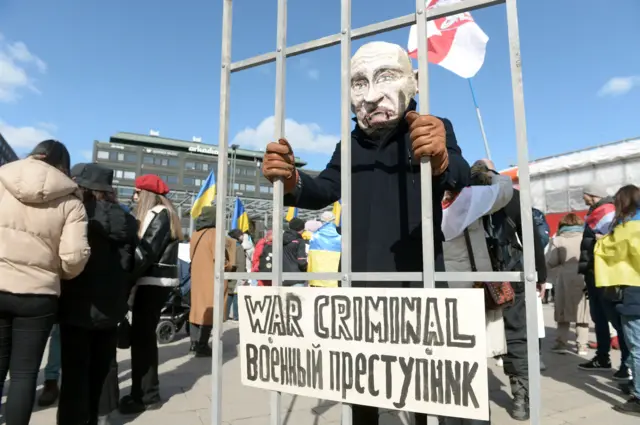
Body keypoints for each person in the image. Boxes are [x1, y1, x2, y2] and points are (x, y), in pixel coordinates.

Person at [260, 41, 470, 425]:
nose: (371, 95)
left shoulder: (430, 127)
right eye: (359, 82)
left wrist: (441, 158)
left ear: (415, 83)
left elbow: (460, 173)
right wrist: (290, 179)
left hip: (416, 283)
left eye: (385, 77)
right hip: (360, 290)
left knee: (424, 387)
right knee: (363, 389)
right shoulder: (350, 144)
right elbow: (324, 188)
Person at [0, 140, 91, 425]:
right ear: (63, 164)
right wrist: (57, 273)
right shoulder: (71, 200)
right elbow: (74, 257)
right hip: (39, 295)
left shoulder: (2, 180)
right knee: (24, 375)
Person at [57, 164, 137, 425]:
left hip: (77, 304)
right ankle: (101, 418)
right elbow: (130, 264)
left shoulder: (77, 213)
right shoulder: (127, 220)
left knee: (74, 371)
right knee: (104, 366)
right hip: (111, 307)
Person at [441, 163, 514, 425]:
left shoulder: (421, 204)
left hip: (437, 290)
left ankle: (449, 418)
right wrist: (490, 172)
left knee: (443, 365)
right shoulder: (467, 199)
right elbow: (505, 191)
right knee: (472, 364)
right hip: (469, 291)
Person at [475, 159, 548, 421]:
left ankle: (473, 398)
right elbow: (530, 236)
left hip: (475, 273)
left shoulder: (463, 195)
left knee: (473, 334)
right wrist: (540, 274)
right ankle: (520, 399)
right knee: (516, 333)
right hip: (510, 270)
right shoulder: (509, 196)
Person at [119, 174, 182, 414]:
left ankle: (146, 395)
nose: (134, 197)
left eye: (136, 193)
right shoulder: (164, 214)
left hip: (152, 281)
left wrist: (125, 277)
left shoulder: (158, 215)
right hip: (154, 281)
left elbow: (145, 252)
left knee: (142, 341)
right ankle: (145, 393)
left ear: (145, 194)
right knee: (143, 340)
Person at [594, 184, 640, 415]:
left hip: (634, 293)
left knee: (636, 345)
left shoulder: (629, 227)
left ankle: (639, 397)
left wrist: (601, 239)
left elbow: (610, 250)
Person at [577, 183, 631, 381]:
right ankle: (602, 357)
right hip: (594, 272)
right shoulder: (595, 212)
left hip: (605, 274)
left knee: (616, 319)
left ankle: (627, 364)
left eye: (584, 194)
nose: (582, 198)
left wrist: (603, 241)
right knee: (599, 316)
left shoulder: (606, 212)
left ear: (591, 195)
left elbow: (616, 242)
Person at [189, 206, 232, 355]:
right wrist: (229, 264)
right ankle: (202, 346)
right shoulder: (215, 234)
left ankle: (193, 344)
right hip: (212, 278)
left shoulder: (195, 234)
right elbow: (220, 259)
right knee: (210, 310)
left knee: (196, 310)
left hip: (197, 276)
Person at [546, 213, 590, 356]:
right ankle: (582, 345)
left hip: (564, 277)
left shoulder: (558, 240)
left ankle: (561, 344)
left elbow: (551, 261)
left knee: (562, 312)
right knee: (582, 313)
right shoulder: (586, 237)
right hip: (583, 276)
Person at [307, 212, 342, 288]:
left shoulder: (314, 237)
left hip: (317, 280)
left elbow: (310, 259)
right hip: (334, 281)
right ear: (334, 220)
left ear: (322, 222)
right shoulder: (340, 238)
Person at [283, 218, 309, 287]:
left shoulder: (280, 239)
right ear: (301, 229)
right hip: (296, 278)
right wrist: (307, 267)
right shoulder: (300, 241)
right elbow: (301, 262)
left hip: (282, 278)